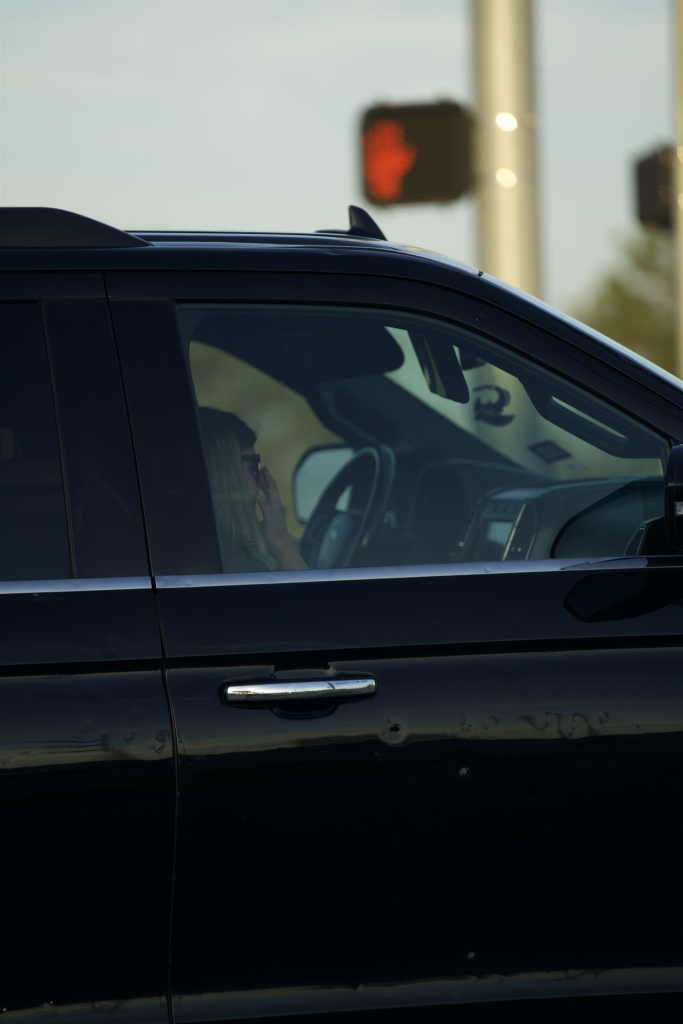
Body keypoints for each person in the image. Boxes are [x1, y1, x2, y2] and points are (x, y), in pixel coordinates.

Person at [198, 407, 307, 573]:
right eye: (253, 470)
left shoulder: (224, 544)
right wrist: (282, 544)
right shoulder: (233, 560)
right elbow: (312, 597)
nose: (261, 485)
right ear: (225, 475)